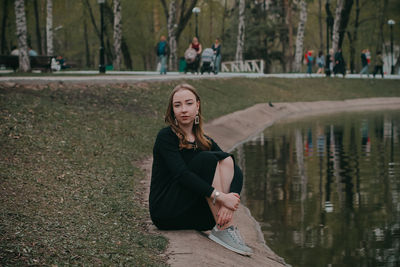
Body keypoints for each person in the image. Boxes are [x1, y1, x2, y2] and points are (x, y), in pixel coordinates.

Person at [149, 83, 253, 256]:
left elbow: (234, 167)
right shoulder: (166, 137)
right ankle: (224, 230)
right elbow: (182, 175)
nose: (183, 109)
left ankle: (224, 227)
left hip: (195, 214)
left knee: (225, 159)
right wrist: (220, 196)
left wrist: (230, 201)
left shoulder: (205, 141)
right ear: (172, 110)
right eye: (178, 105)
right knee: (207, 159)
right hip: (166, 211)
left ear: (197, 105)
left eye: (189, 103)